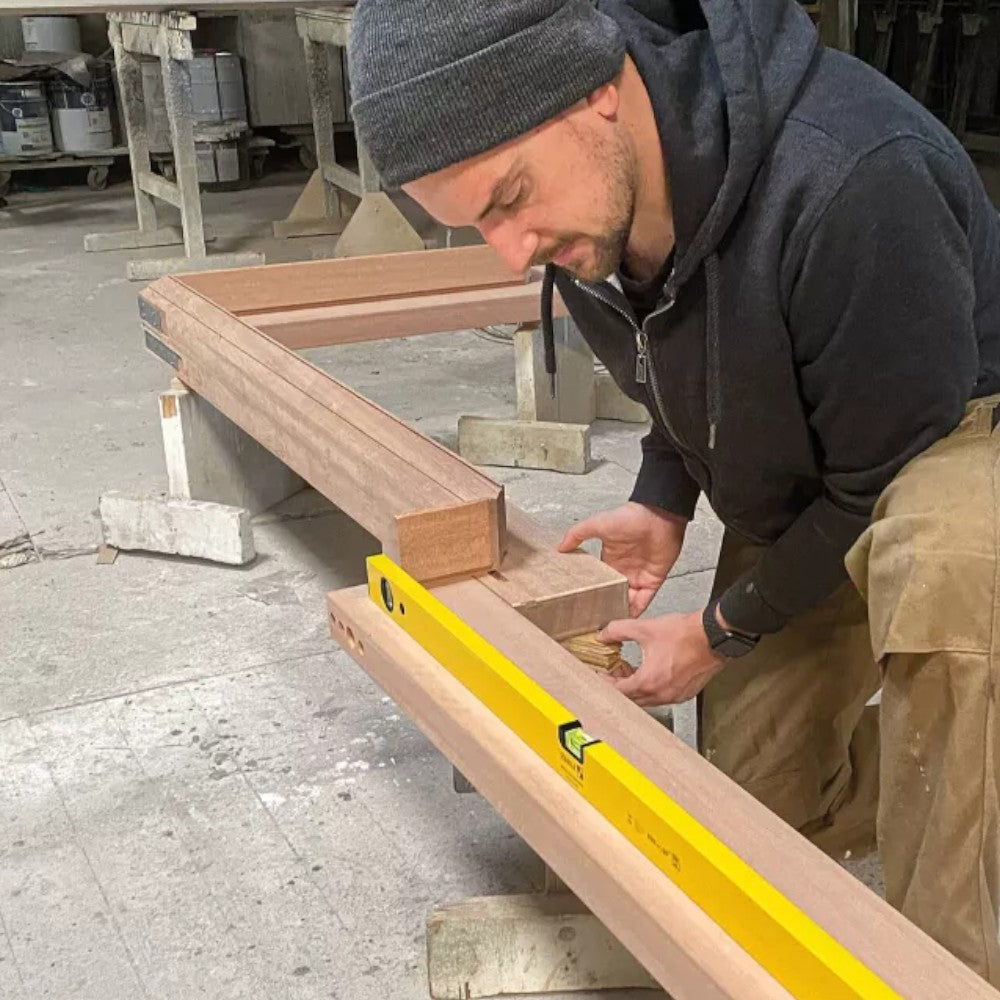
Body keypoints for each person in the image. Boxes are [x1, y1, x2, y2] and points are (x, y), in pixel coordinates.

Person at [347, 0, 1000, 982]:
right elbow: (687, 352)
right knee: (753, 813)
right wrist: (663, 494)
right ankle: (953, 764)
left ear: (594, 93)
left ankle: (944, 958)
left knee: (947, 565)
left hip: (955, 424)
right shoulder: (584, 213)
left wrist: (722, 627)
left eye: (510, 198)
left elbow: (877, 471)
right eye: (476, 222)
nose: (511, 251)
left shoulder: (855, 178)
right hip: (825, 444)